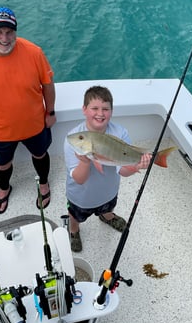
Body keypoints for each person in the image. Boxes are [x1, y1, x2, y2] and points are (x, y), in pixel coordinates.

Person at [0, 6, 56, 214]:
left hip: (35, 124)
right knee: (2, 164)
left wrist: (50, 112)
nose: (4, 38)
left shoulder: (34, 52)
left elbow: (48, 84)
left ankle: (44, 184)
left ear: (16, 31)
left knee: (40, 154)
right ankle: (4, 188)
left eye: (9, 32)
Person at [64, 86, 152, 252]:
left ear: (111, 111)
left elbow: (123, 170)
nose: (100, 113)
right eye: (94, 108)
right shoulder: (73, 139)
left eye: (105, 109)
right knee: (75, 215)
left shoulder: (120, 132)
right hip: (81, 197)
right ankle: (74, 230)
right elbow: (79, 179)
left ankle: (107, 216)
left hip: (108, 192)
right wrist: (85, 161)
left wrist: (136, 166)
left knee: (108, 207)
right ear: (84, 110)